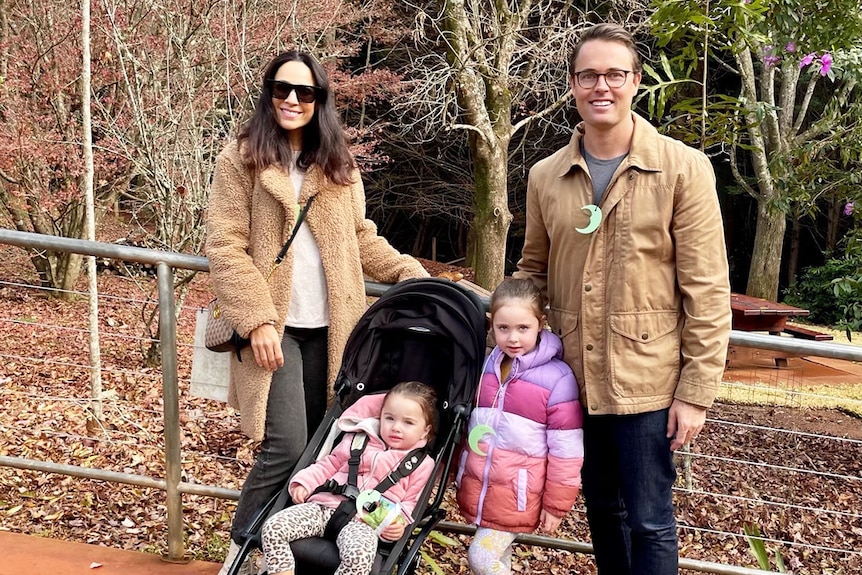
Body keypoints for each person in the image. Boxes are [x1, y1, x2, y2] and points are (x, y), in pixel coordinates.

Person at [514, 23, 732, 575]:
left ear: (635, 81)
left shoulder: (684, 169)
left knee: (651, 520)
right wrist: (507, 335)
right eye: (588, 75)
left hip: (648, 381)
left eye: (615, 74)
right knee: (602, 513)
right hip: (569, 379)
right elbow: (532, 273)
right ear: (572, 85)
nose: (601, 86)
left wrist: (696, 392)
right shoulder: (546, 176)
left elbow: (706, 290)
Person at [205, 50, 429, 574]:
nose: (291, 99)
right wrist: (257, 318)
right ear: (269, 93)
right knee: (283, 445)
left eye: (305, 92)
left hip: (333, 329)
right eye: (282, 89)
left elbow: (359, 238)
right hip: (272, 326)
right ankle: (244, 550)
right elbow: (225, 244)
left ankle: (289, 551)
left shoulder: (338, 164)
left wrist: (408, 273)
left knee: (314, 448)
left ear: (320, 100)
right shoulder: (241, 157)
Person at [455, 278, 583, 575]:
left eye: (523, 328)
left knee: (482, 559)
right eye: (503, 328)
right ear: (492, 326)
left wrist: (556, 505)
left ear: (541, 323)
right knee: (499, 560)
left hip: (519, 492)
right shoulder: (487, 366)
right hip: (483, 488)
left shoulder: (557, 379)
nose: (513, 338)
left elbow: (567, 451)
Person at [261, 381, 437, 575]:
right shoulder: (358, 438)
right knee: (273, 527)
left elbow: (411, 501)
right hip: (323, 507)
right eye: (389, 418)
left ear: (426, 430)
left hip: (364, 524)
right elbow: (330, 464)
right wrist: (305, 482)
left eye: (408, 422)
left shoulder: (422, 464)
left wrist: (398, 524)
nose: (396, 427)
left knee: (360, 557)